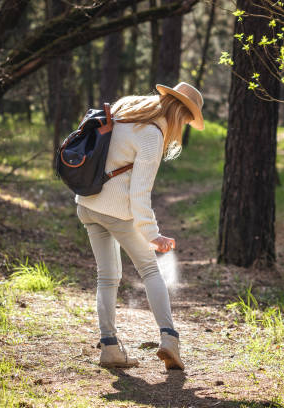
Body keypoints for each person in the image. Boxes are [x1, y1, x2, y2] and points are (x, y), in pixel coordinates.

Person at [75, 82, 204, 370]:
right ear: (180, 115)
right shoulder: (152, 134)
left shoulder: (125, 109)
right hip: (117, 212)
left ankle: (109, 347)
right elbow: (139, 194)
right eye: (185, 121)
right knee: (150, 270)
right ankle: (169, 339)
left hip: (87, 204)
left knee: (107, 276)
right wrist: (152, 234)